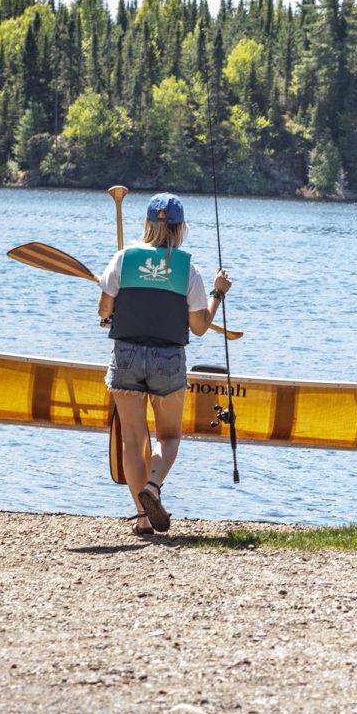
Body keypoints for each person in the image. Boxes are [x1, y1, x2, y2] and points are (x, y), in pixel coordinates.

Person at [96, 192, 232, 536]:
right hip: (167, 359)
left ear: (147, 224)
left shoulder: (123, 259)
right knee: (168, 436)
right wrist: (217, 293)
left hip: (126, 355)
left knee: (132, 439)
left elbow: (104, 310)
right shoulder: (188, 270)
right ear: (180, 228)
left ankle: (143, 517)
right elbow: (199, 327)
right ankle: (153, 487)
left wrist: (113, 311)